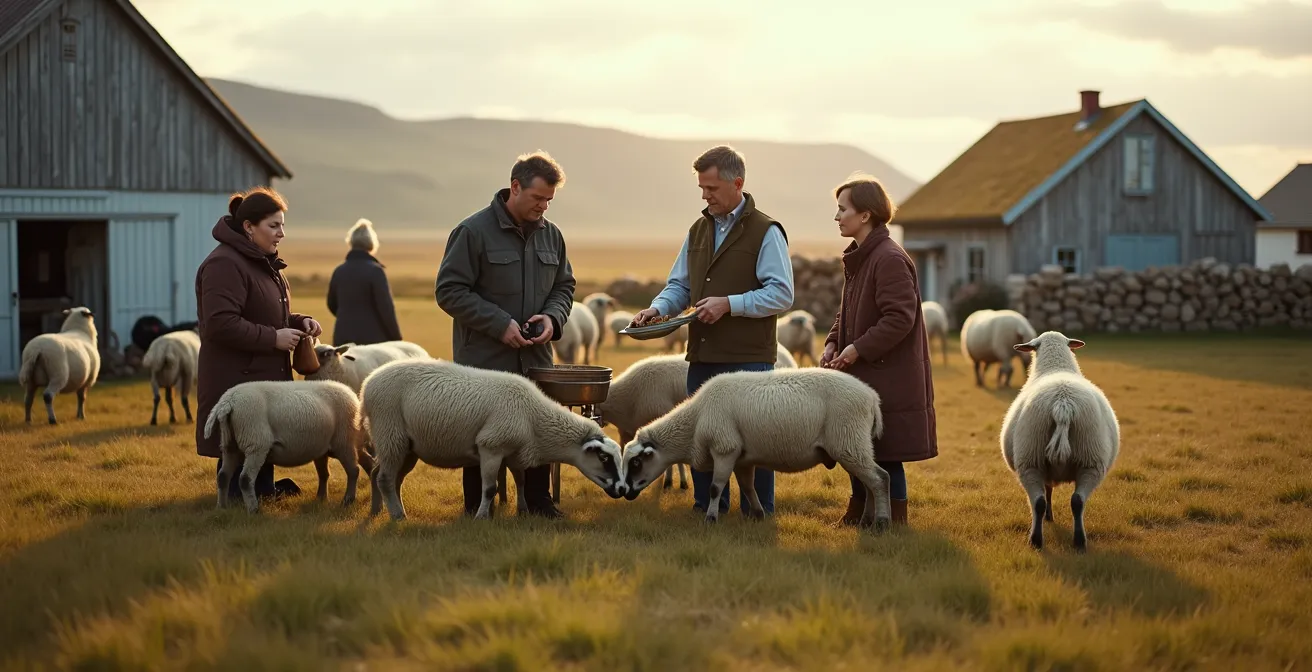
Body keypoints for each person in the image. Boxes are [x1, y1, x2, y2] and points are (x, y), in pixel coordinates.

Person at [632, 145, 794, 517]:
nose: (705, 196)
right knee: (700, 436)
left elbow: (782, 293)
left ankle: (760, 512)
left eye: (712, 188)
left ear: (737, 183)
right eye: (702, 188)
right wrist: (657, 308)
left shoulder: (766, 231)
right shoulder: (698, 229)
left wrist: (729, 304)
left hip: (748, 360)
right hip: (703, 358)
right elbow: (681, 286)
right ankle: (706, 507)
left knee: (755, 441)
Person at [435, 151, 576, 519]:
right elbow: (449, 291)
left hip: (536, 359)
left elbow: (564, 286)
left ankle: (539, 503)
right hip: (484, 361)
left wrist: (552, 319)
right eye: (537, 198)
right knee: (482, 433)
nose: (544, 207)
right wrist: (500, 324)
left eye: (549, 200)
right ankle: (477, 507)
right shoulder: (472, 232)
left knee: (538, 428)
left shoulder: (553, 237)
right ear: (515, 187)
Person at [820, 174, 938, 527]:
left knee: (886, 454)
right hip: (865, 373)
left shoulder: (887, 259)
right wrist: (833, 341)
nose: (838, 217)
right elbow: (849, 311)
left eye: (843, 209)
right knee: (858, 446)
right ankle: (859, 513)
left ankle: (895, 521)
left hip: (888, 375)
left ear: (866, 215)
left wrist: (856, 349)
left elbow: (900, 317)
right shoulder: (862, 257)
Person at [195, 187, 324, 500]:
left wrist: (298, 322)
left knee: (258, 443)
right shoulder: (224, 264)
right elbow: (220, 323)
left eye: (282, 225)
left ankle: (261, 493)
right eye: (274, 226)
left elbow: (264, 312)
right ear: (249, 227)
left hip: (258, 377)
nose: (281, 233)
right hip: (238, 377)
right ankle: (238, 500)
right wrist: (274, 338)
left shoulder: (261, 261)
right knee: (240, 443)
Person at [326, 218, 403, 346]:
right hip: (372, 343)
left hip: (342, 339)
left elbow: (332, 304)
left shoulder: (339, 271)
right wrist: (397, 339)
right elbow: (386, 309)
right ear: (372, 243)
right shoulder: (375, 271)